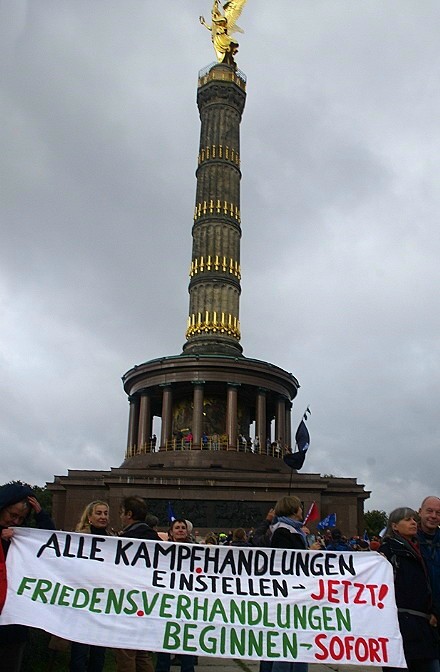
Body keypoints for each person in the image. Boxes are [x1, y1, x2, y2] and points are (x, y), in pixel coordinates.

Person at [0, 483, 55, 672]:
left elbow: (51, 543)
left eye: (21, 518)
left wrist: (41, 515)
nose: (15, 521)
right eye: (12, 515)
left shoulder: (20, 538)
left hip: (13, 621)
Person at [380, 507, 440, 672]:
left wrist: (434, 610)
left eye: (414, 519)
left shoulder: (420, 549)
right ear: (394, 526)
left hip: (423, 625)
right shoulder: (387, 552)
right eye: (407, 520)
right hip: (400, 627)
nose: (413, 523)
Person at [114, 497, 159, 672]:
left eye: (121, 513)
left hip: (128, 602)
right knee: (142, 653)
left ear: (129, 514)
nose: (120, 517)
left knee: (125, 652)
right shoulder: (155, 539)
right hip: (148, 602)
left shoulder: (125, 540)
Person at [69, 501, 110, 672]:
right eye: (99, 513)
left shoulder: (114, 540)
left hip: (102, 604)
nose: (103, 517)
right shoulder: (78, 539)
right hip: (82, 603)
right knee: (79, 654)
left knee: (98, 655)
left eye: (106, 513)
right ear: (90, 517)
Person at [156, 520, 195, 672]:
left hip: (188, 603)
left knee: (188, 642)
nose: (180, 530)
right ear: (171, 532)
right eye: (177, 528)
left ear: (187, 532)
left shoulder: (197, 551)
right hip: (167, 602)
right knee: (164, 643)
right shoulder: (161, 550)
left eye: (183, 528)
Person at [417, 496, 440, 622]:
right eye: (429, 511)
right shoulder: (407, 544)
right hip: (417, 617)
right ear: (420, 512)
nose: (434, 516)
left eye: (438, 513)